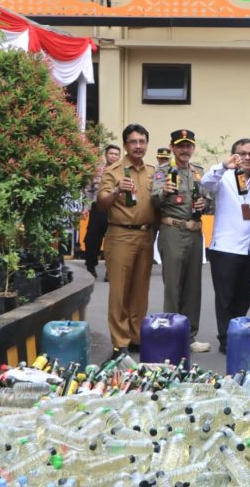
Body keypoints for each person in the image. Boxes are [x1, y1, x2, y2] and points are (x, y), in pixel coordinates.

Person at [97, 124, 156, 356]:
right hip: (120, 235)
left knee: (140, 291)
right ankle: (119, 342)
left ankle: (136, 336)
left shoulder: (152, 172)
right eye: (133, 142)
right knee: (120, 291)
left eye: (142, 141)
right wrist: (116, 191)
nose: (138, 146)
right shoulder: (114, 171)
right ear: (125, 145)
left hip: (146, 235)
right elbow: (101, 204)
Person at [151, 129, 209, 353]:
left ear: (193, 147)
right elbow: (153, 200)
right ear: (173, 147)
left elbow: (209, 200)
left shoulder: (198, 172)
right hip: (173, 230)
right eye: (180, 145)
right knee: (173, 286)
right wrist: (164, 192)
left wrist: (206, 204)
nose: (185, 150)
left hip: (195, 232)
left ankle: (190, 336)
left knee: (193, 287)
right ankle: (171, 335)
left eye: (188, 145)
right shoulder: (162, 172)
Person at [201, 138, 250, 354]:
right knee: (225, 298)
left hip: (249, 249)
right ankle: (225, 338)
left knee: (244, 296)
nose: (247, 157)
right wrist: (224, 166)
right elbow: (205, 183)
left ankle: (237, 332)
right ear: (234, 155)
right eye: (242, 153)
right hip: (226, 247)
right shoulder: (223, 178)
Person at [84, 144, 120, 278]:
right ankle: (90, 267)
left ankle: (110, 271)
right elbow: (89, 190)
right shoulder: (97, 170)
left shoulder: (123, 170)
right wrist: (86, 207)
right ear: (106, 155)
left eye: (116, 154)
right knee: (91, 240)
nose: (114, 156)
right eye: (111, 153)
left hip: (115, 209)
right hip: (97, 208)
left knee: (113, 242)